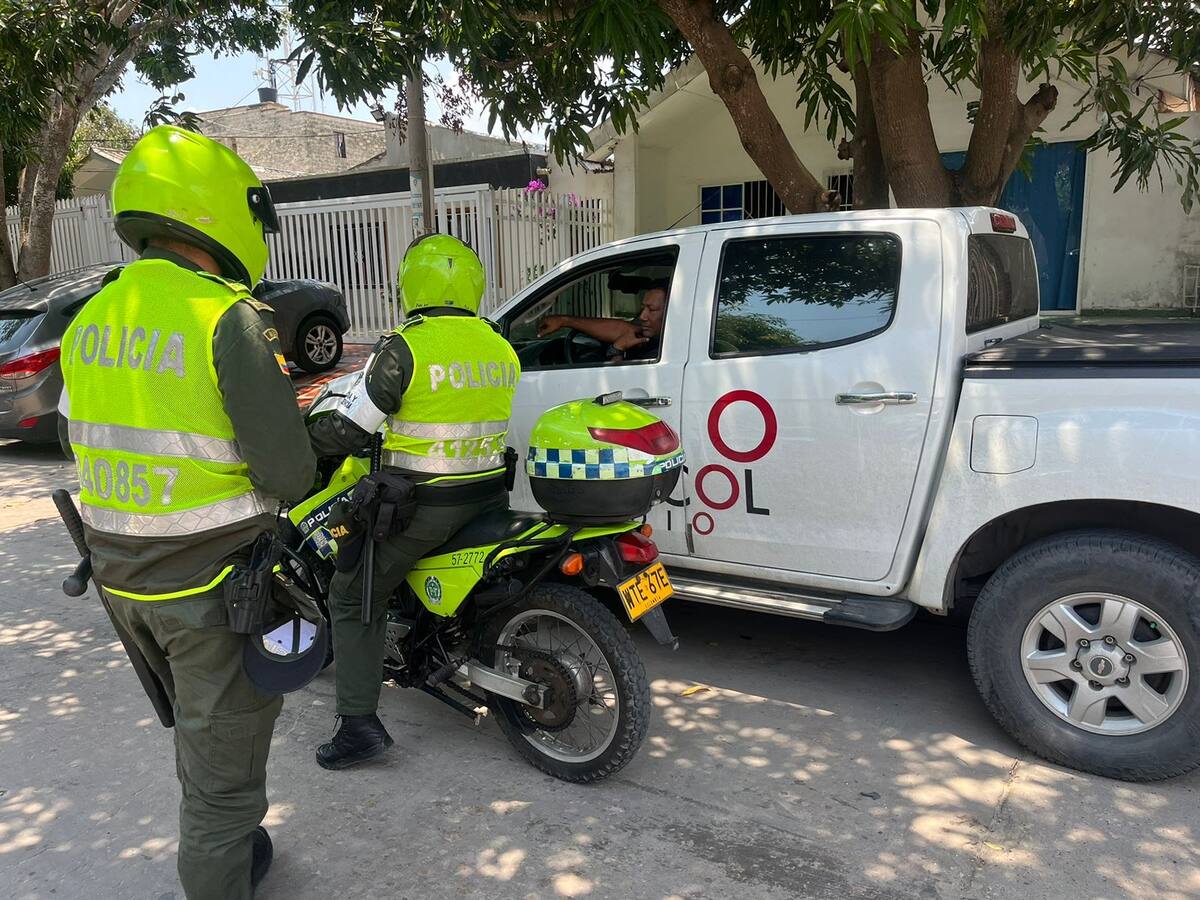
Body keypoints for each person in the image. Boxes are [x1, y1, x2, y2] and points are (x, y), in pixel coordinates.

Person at [58, 126, 316, 900]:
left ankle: (230, 843)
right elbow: (288, 472)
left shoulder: (92, 317)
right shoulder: (226, 317)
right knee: (223, 782)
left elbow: (79, 437)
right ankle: (218, 862)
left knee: (206, 741)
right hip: (212, 591)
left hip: (120, 580)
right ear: (218, 208)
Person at [308, 233, 520, 770]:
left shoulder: (405, 347)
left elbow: (352, 429)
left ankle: (357, 726)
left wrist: (304, 440)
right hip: (488, 495)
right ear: (473, 283)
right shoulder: (499, 344)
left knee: (352, 594)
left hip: (421, 508)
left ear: (411, 284)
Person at [536, 282, 668, 362]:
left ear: (670, 310)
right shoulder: (651, 335)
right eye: (642, 308)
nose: (643, 316)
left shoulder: (660, 352)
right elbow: (620, 329)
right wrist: (564, 321)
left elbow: (616, 384)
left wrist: (616, 349)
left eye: (652, 309)